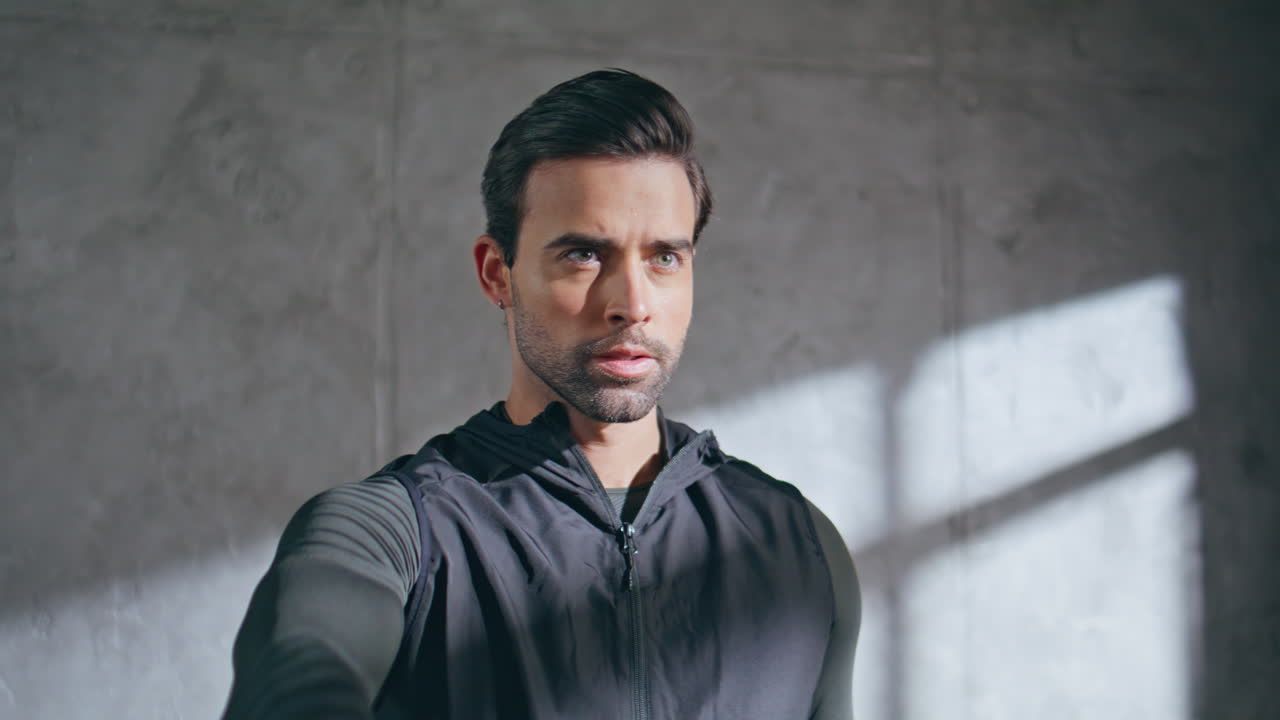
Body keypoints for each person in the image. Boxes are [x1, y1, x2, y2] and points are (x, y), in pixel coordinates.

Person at [222, 68, 860, 720]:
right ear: (497, 275)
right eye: (584, 255)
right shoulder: (390, 534)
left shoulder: (801, 544)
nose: (632, 304)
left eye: (664, 258)